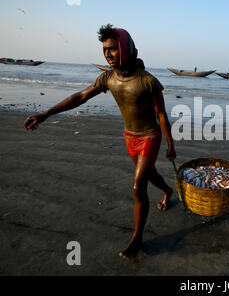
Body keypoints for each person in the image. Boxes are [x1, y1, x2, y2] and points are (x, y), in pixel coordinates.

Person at [24, 24, 176, 259]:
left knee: (138, 186)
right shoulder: (108, 77)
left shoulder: (148, 81)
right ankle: (168, 191)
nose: (108, 54)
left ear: (126, 48)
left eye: (113, 49)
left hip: (149, 136)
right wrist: (45, 114)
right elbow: (80, 97)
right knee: (149, 175)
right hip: (129, 137)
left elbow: (162, 115)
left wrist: (170, 144)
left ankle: (137, 238)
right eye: (105, 50)